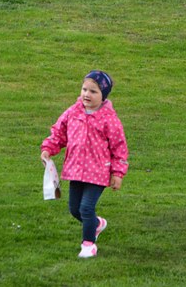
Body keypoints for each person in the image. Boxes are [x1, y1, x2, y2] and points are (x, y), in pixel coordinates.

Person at [40, 70, 129, 258]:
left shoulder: (109, 119)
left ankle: (88, 244)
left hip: (98, 173)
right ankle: (96, 225)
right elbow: (59, 133)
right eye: (84, 89)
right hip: (74, 170)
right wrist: (48, 148)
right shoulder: (73, 112)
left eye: (94, 91)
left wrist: (118, 173)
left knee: (86, 208)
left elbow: (119, 148)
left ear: (103, 95)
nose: (87, 94)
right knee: (74, 209)